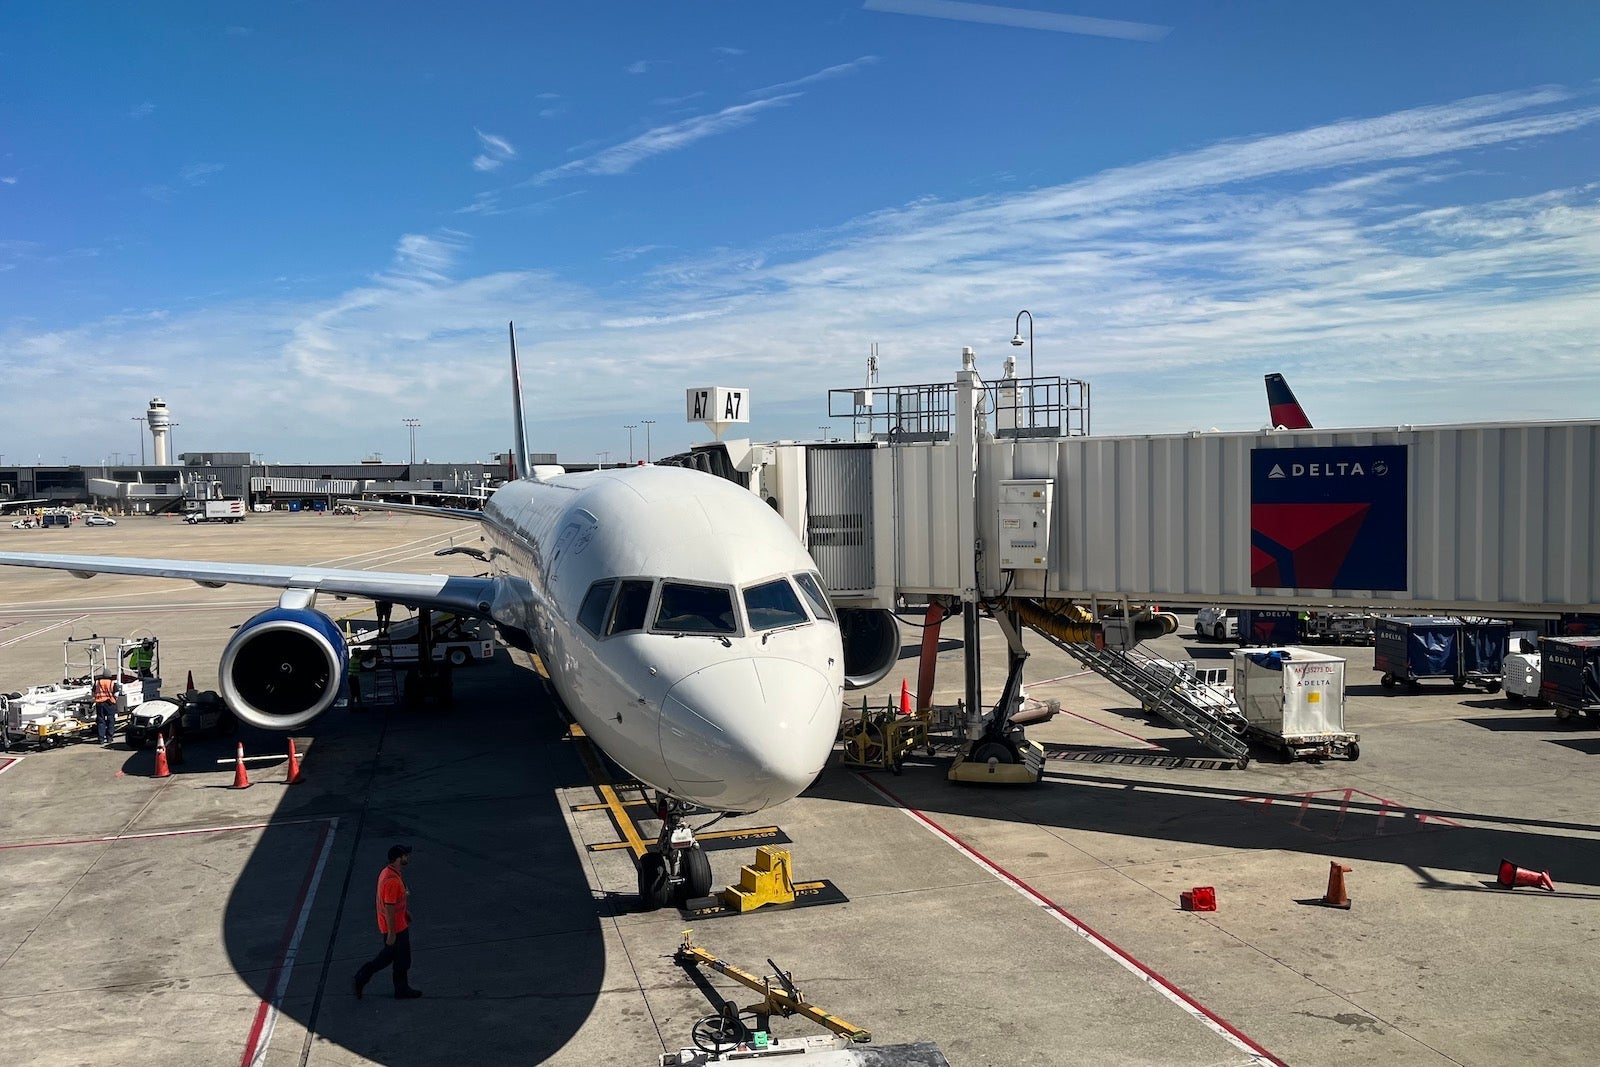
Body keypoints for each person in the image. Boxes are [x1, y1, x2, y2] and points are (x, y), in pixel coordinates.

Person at [352, 844, 422, 1000]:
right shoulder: (392, 880)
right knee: (398, 959)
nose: (407, 857)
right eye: (405, 855)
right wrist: (391, 933)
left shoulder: (389, 872)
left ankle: (369, 978)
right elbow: (389, 907)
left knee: (392, 958)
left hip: (397, 923)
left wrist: (405, 912)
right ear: (399, 858)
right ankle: (367, 977)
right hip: (396, 928)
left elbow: (395, 902)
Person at [93, 673, 118, 746]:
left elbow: (93, 692)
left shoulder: (97, 682)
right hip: (109, 704)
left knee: (101, 720)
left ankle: (101, 739)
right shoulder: (112, 683)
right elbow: (116, 694)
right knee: (111, 720)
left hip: (99, 703)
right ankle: (109, 738)